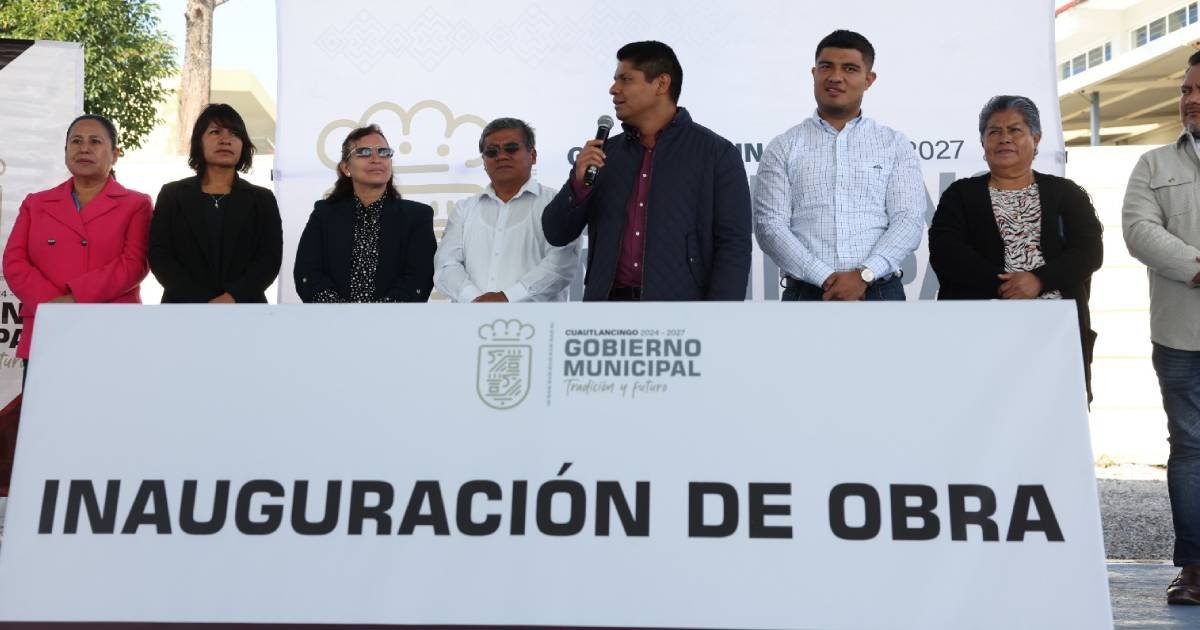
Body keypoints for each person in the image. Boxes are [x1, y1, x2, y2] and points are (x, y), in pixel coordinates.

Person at [541, 40, 751, 301]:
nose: (614, 89)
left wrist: (720, 315)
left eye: (626, 79)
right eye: (615, 80)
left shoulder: (716, 153)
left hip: (682, 311)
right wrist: (578, 185)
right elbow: (556, 233)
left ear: (661, 84)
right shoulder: (603, 155)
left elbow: (734, 245)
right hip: (606, 310)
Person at [928, 95, 1103, 400]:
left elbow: (1088, 252)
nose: (1004, 138)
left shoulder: (1066, 193)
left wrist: (1038, 280)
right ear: (983, 143)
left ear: (1036, 139)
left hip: (1055, 336)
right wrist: (1007, 286)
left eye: (1015, 130)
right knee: (976, 414)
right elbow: (946, 253)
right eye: (994, 131)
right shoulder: (960, 195)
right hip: (977, 336)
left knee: (1055, 416)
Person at [753, 29, 924, 301]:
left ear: (869, 80)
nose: (835, 76)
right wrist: (826, 277)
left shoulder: (894, 144)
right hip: (807, 294)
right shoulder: (784, 146)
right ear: (814, 73)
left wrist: (864, 275)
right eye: (826, 67)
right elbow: (769, 226)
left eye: (850, 69)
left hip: (880, 292)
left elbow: (908, 219)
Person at [1122, 50, 1200, 606]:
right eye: (1185, 90)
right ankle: (1195, 570)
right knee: (1191, 449)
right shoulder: (1153, 164)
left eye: (1199, 90)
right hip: (1180, 335)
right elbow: (1139, 232)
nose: (1190, 100)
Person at [3, 114, 151, 370]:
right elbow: (14, 262)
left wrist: (75, 299)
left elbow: (134, 264)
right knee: (45, 398)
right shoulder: (35, 203)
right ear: (65, 151)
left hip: (112, 330)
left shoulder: (136, 204)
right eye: (76, 141)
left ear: (115, 154)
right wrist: (53, 305)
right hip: (47, 328)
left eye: (95, 141)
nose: (84, 148)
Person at [435, 118, 578, 302]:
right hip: (470, 316)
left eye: (511, 148)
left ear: (533, 155)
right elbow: (446, 265)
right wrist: (475, 299)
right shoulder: (464, 209)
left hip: (538, 319)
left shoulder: (557, 203)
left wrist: (507, 298)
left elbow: (560, 265)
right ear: (484, 161)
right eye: (491, 151)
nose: (501, 156)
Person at [149, 103, 282, 303]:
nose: (226, 140)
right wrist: (203, 302)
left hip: (245, 308)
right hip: (183, 308)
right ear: (199, 142)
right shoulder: (172, 195)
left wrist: (232, 297)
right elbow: (160, 255)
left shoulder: (262, 199)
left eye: (235, 134)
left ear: (243, 145)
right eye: (215, 132)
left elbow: (269, 259)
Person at [294, 124, 435, 303]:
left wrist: (377, 314)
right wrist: (341, 312)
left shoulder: (417, 216)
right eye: (364, 152)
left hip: (395, 318)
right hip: (332, 317)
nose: (376, 159)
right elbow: (308, 273)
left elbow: (418, 278)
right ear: (346, 167)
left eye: (384, 152)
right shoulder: (324, 213)